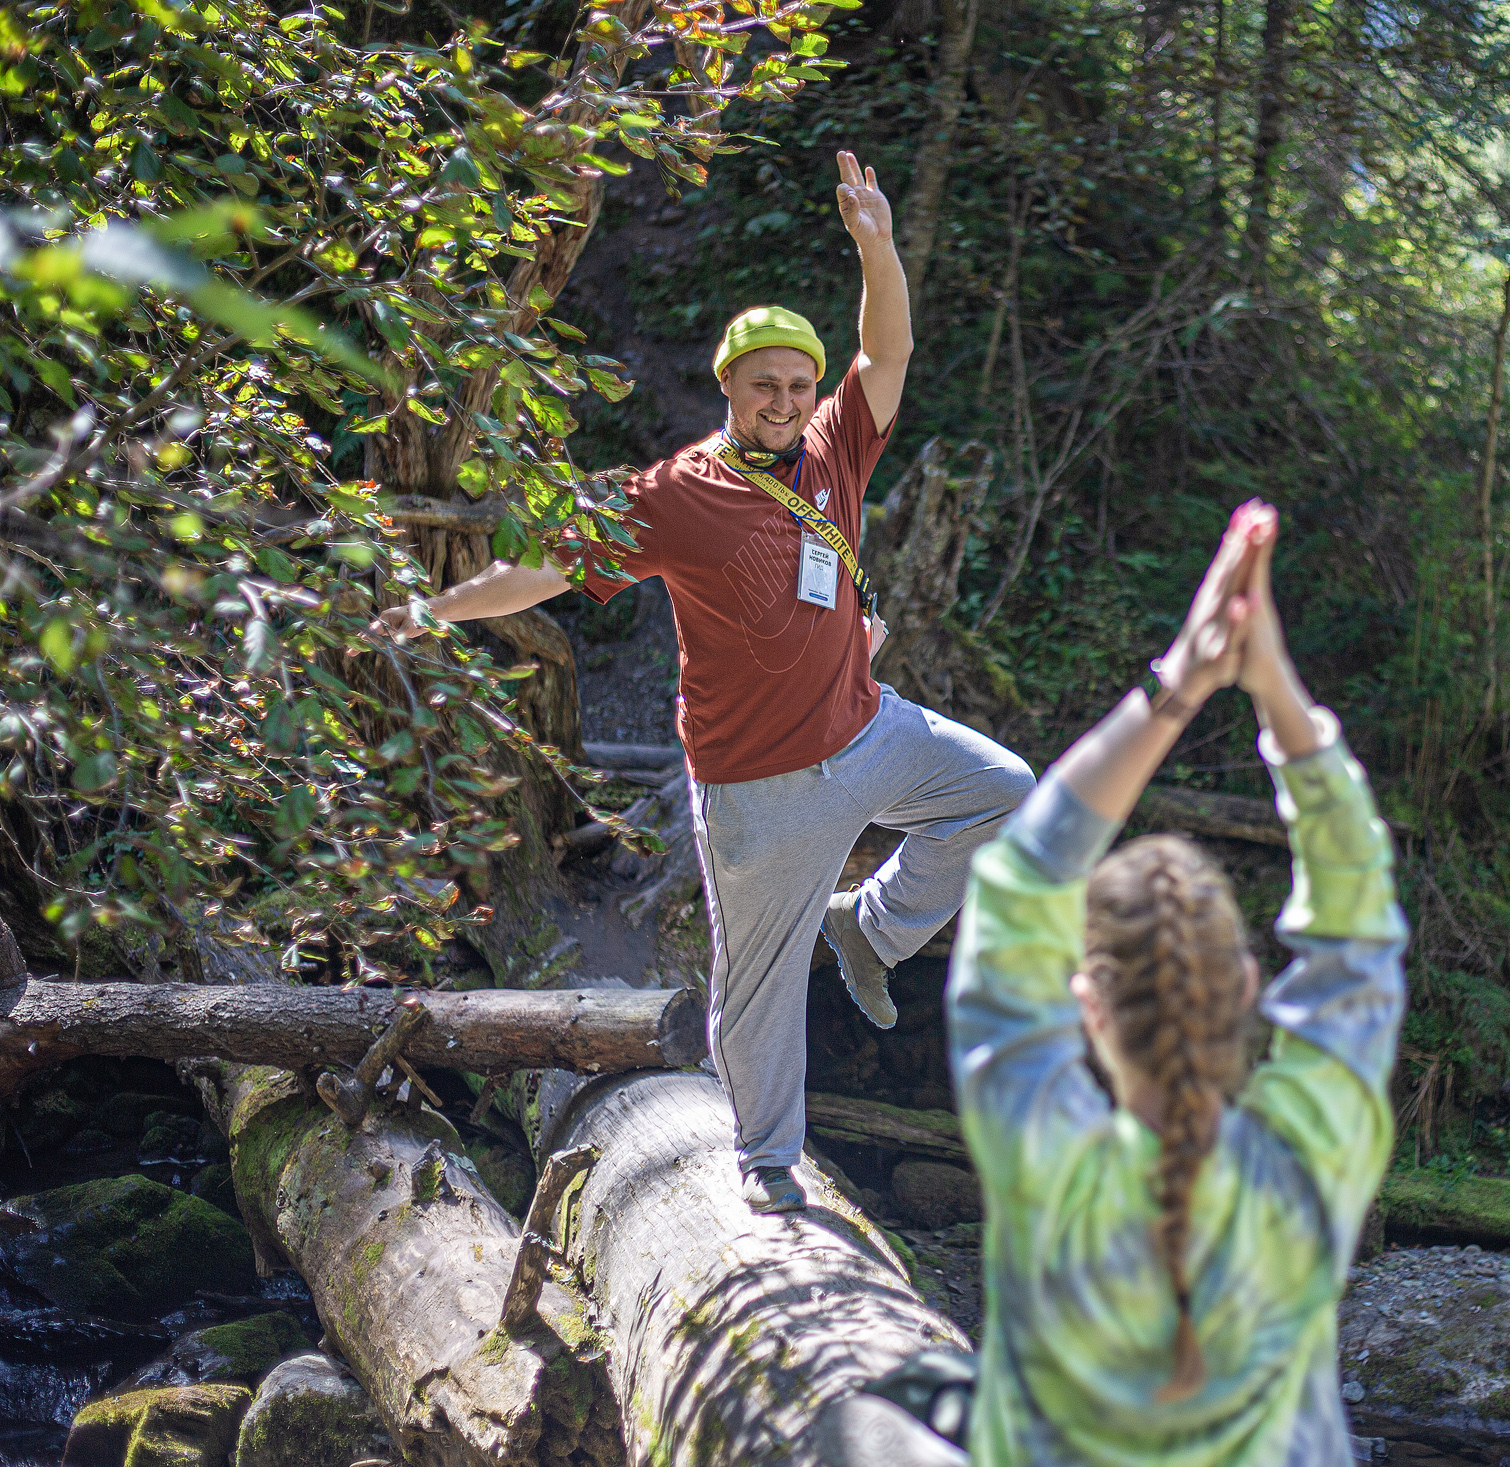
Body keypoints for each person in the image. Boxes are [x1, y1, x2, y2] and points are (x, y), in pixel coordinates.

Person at [370, 150, 1034, 1215]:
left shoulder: (834, 452)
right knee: (758, 988)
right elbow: (548, 565)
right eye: (763, 382)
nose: (783, 399)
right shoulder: (676, 493)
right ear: (727, 386)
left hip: (870, 732)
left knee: (1006, 795)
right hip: (760, 782)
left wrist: (875, 243)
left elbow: (888, 347)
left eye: (797, 384)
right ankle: (766, 1167)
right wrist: (441, 610)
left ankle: (868, 929)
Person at [948, 501, 1407, 1465]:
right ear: (1247, 986)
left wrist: (1177, 686)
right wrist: (1275, 691)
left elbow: (1018, 878)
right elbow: (1359, 938)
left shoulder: (1042, 1158)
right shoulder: (1307, 1162)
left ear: (1088, 1007)